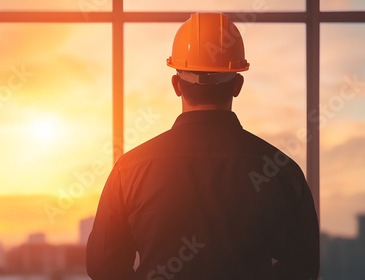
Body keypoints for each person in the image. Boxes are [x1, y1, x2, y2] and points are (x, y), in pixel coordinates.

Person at [86, 12, 319, 280]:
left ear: (176, 85)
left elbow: (103, 267)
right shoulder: (282, 171)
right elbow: (304, 268)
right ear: (237, 85)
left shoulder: (129, 170)